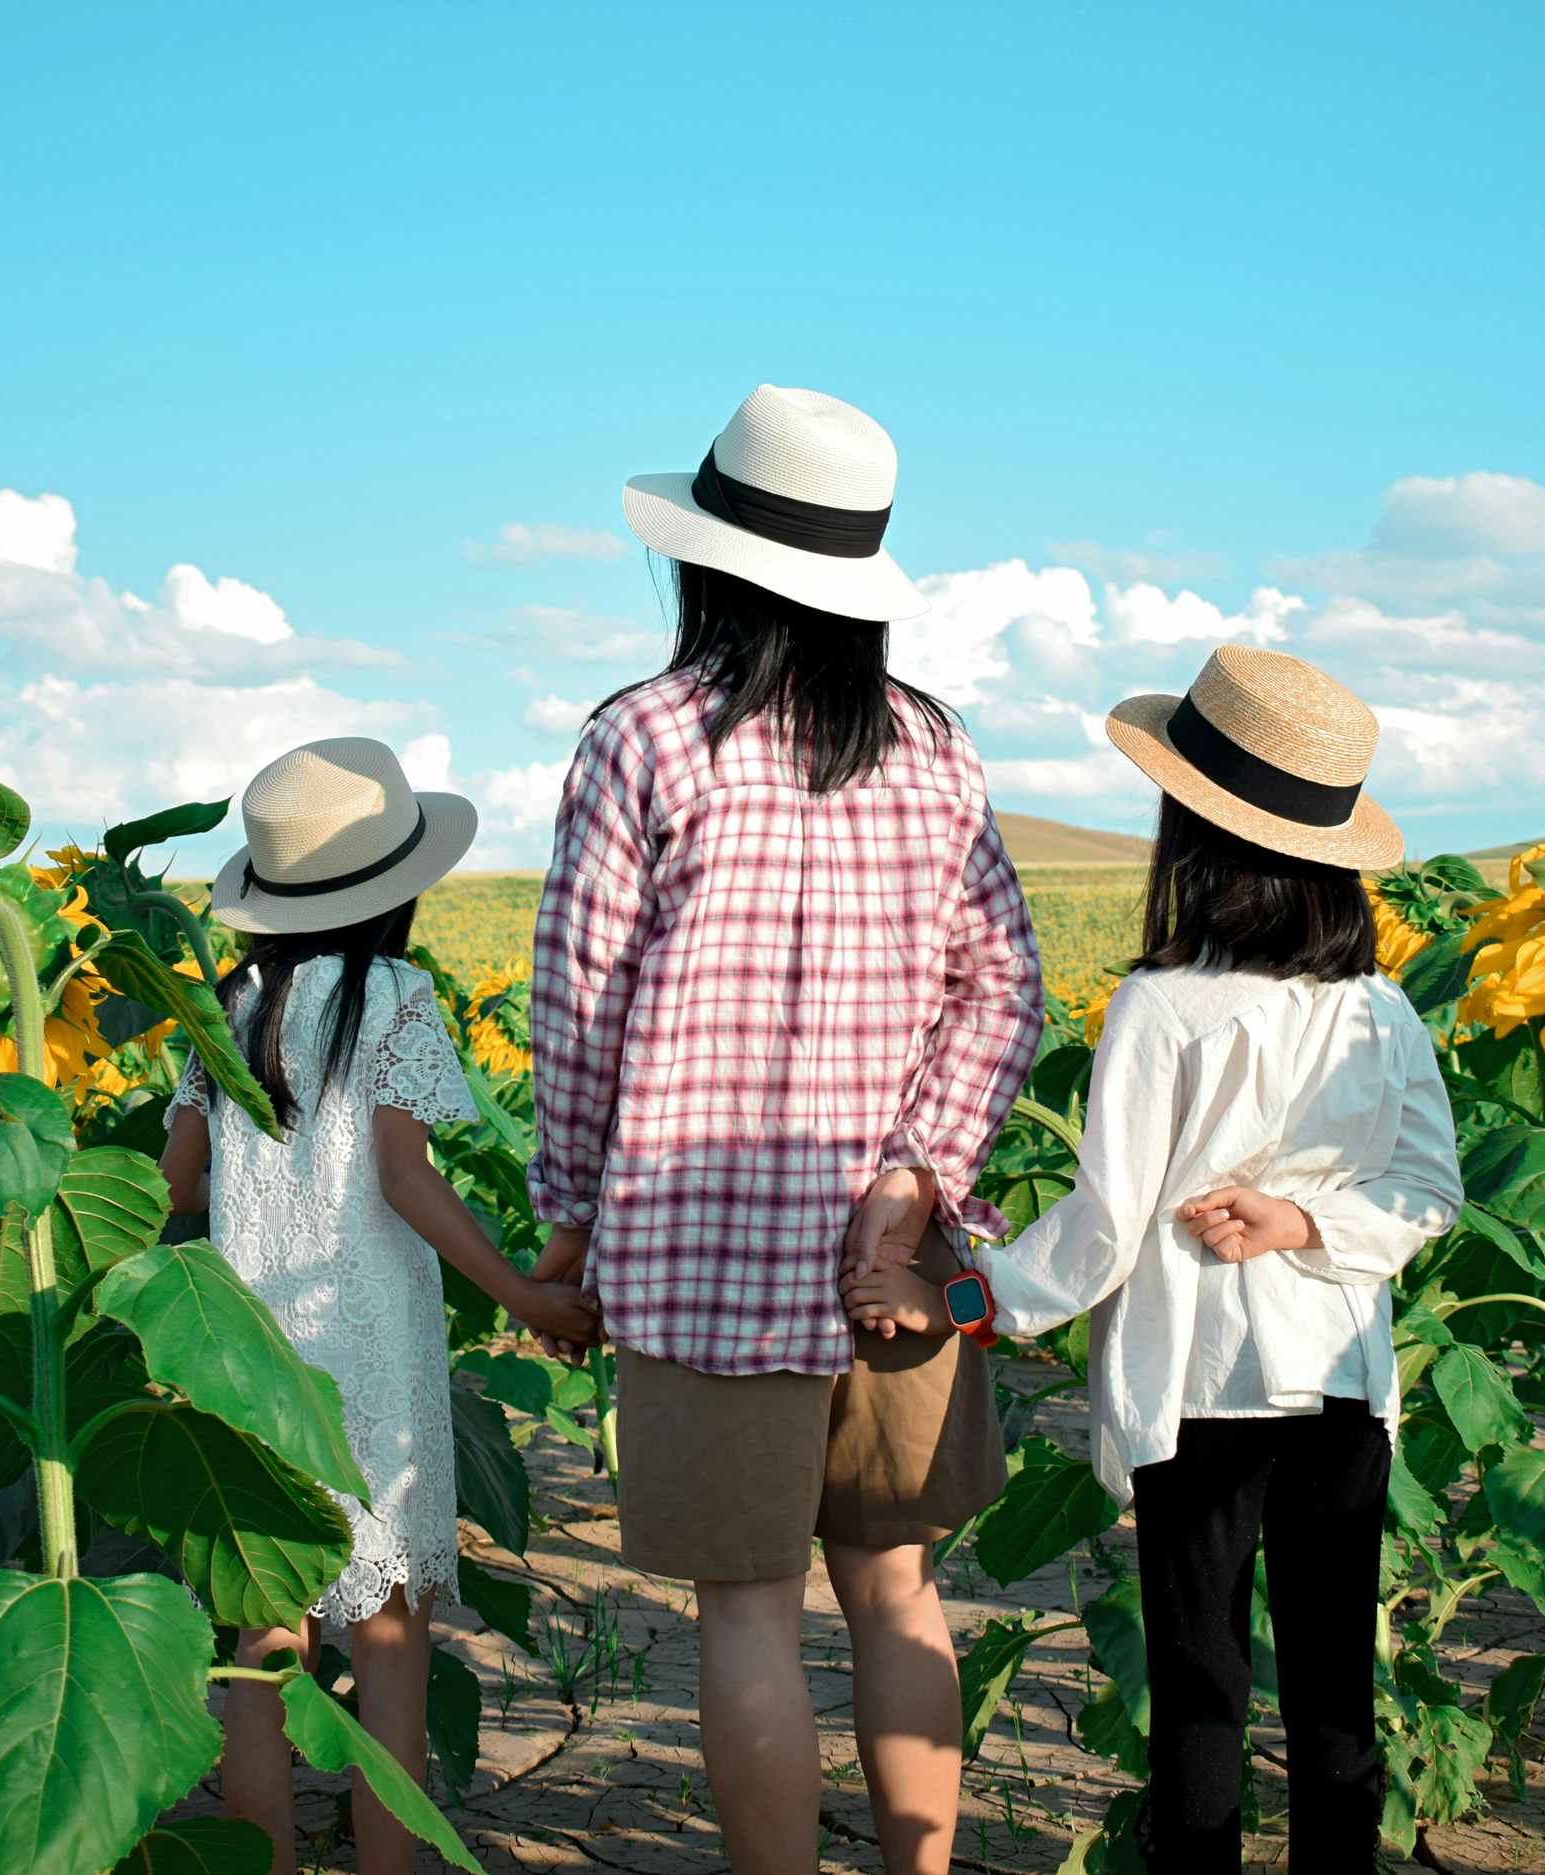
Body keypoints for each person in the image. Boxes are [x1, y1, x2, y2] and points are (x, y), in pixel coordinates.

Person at [524, 385, 1046, 1875]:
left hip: (697, 1255)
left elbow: (578, 1003)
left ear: (709, 564)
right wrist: (913, 1170)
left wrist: (571, 1216)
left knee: (745, 1611)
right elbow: (1004, 979)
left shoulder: (642, 737)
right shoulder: (937, 749)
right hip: (895, 1258)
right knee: (897, 1592)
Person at [843, 645, 1463, 1873]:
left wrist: (953, 1297)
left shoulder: (1161, 1006)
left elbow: (1097, 1235)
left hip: (1201, 1398)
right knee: (1336, 1690)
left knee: (1200, 1693)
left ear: (1195, 837)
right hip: (1342, 1390)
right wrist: (1308, 1225)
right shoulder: (1377, 1008)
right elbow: (1429, 1193)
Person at [160, 736, 599, 1875]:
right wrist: (518, 1292)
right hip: (368, 1346)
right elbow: (404, 1177)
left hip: (245, 1354)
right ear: (393, 893)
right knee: (390, 1644)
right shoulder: (391, 996)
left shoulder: (227, 1003)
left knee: (261, 1645)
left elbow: (174, 1184)